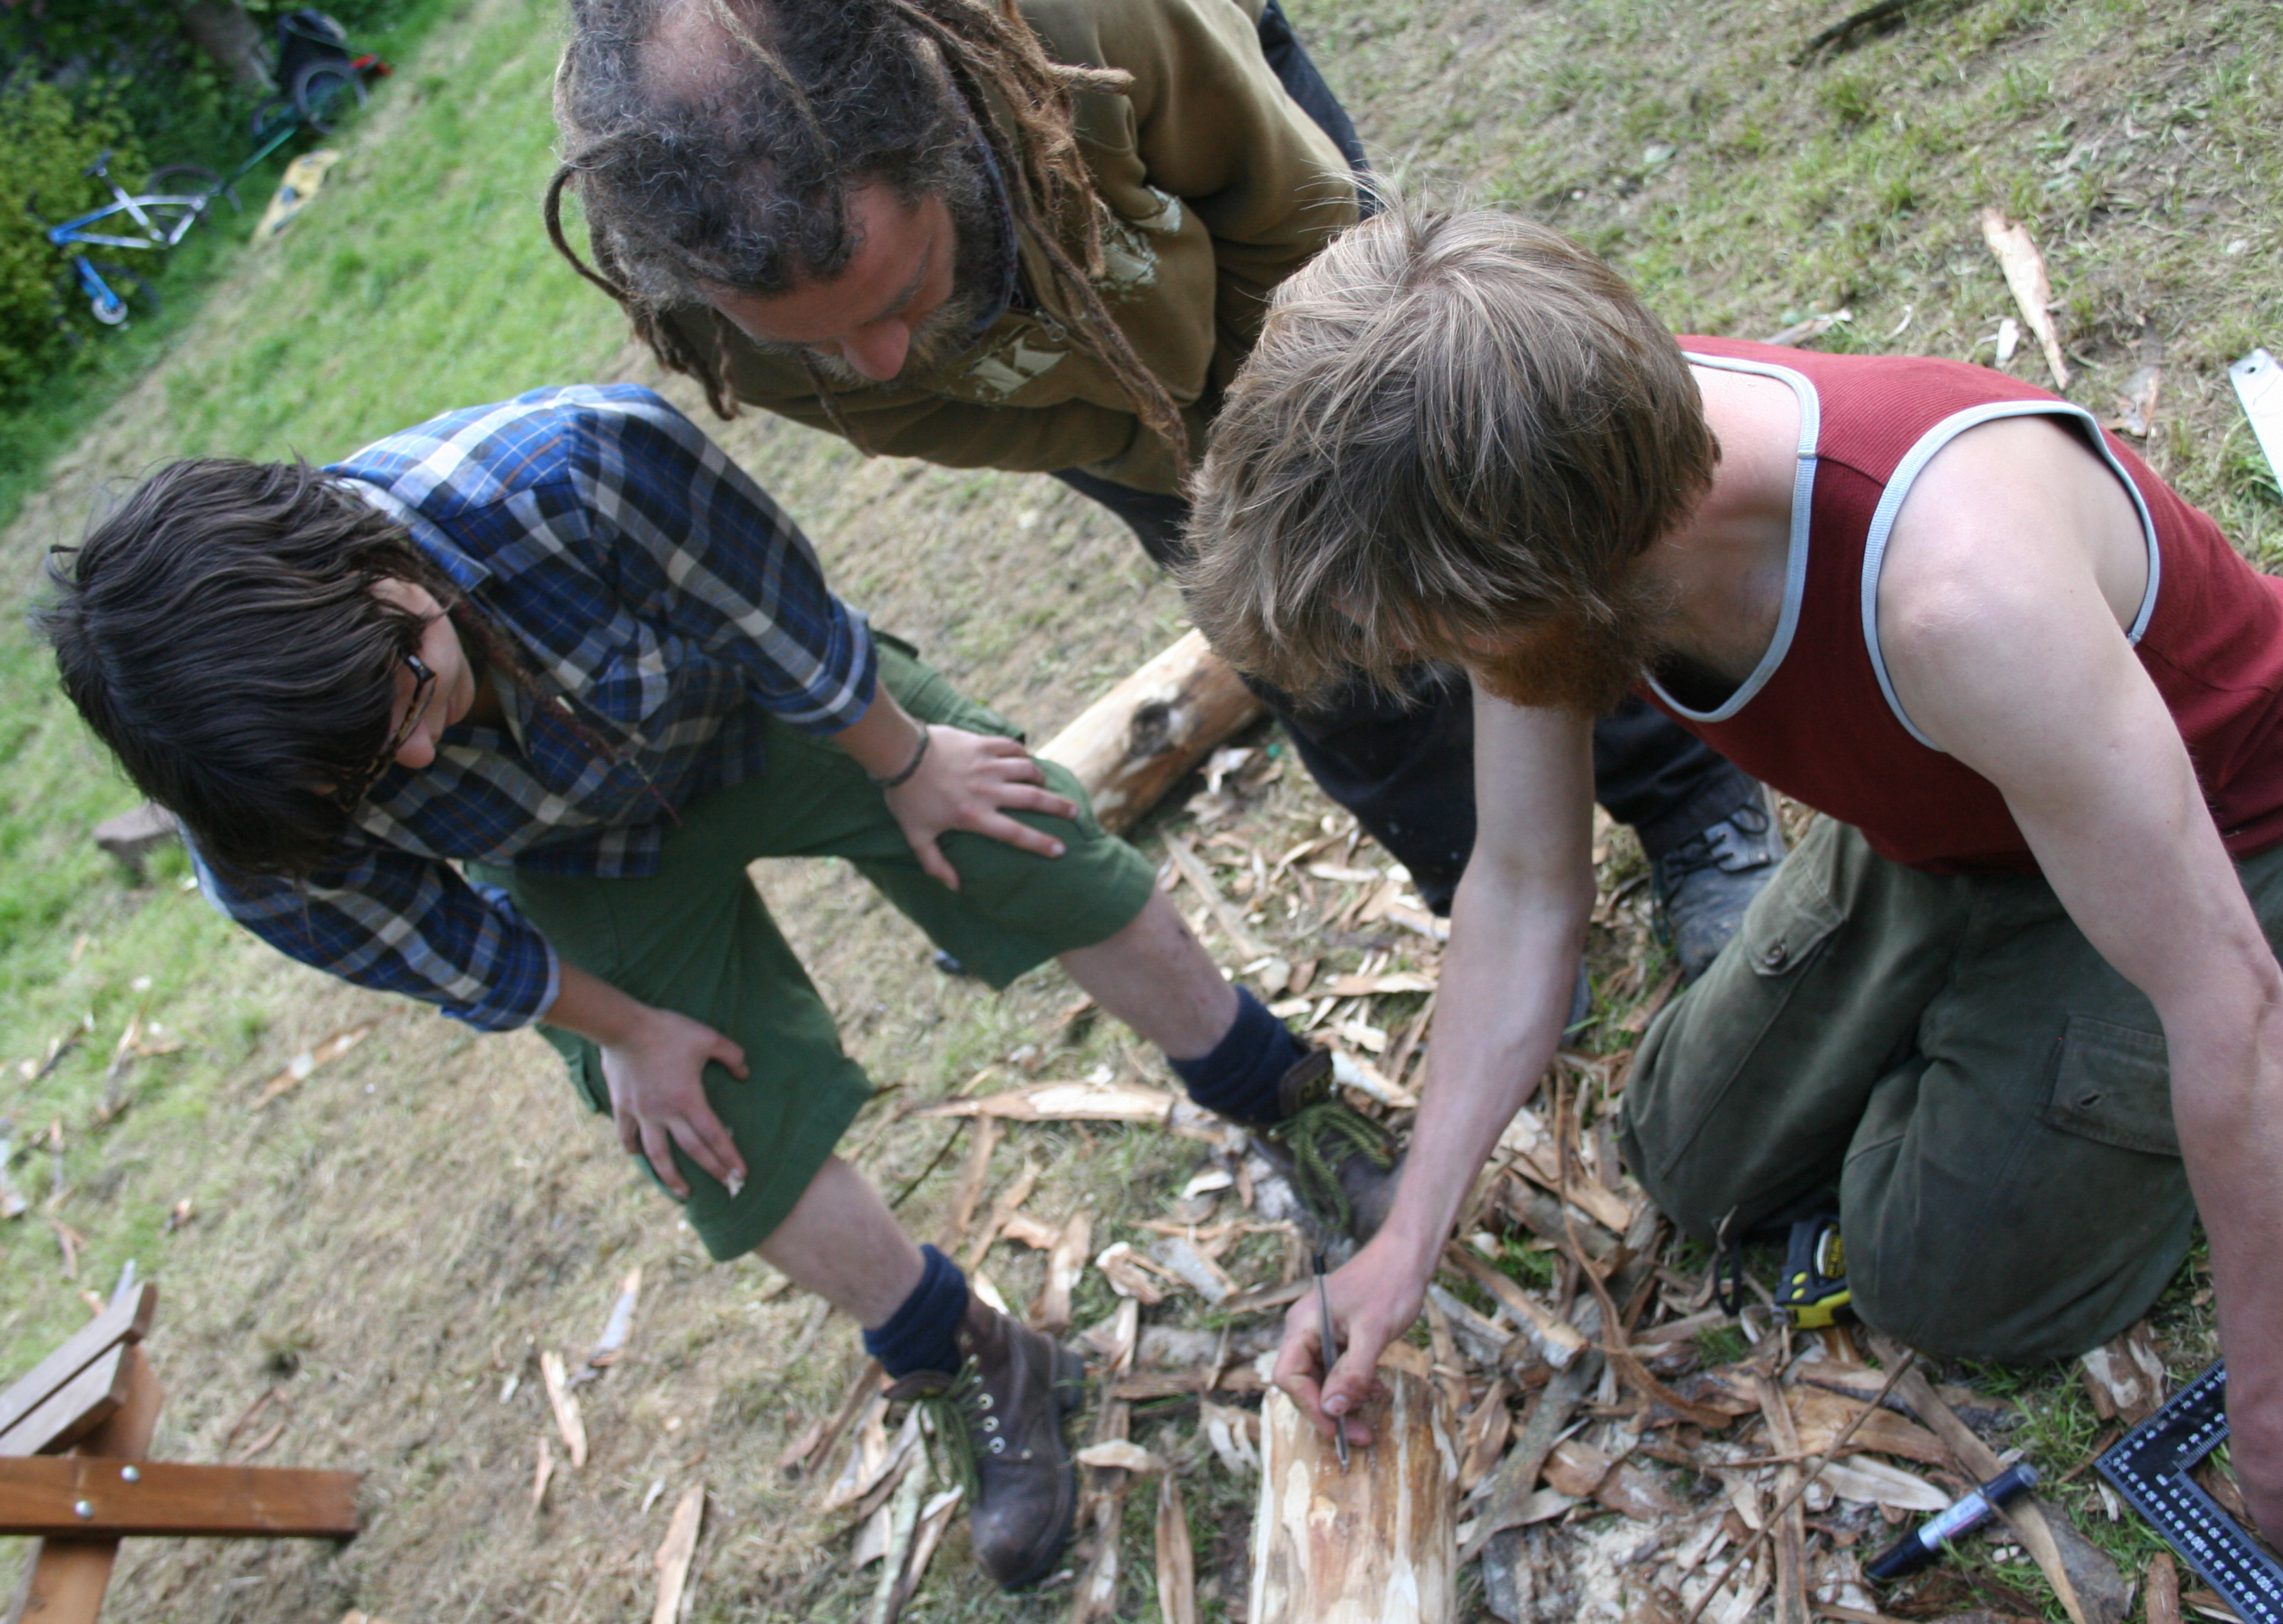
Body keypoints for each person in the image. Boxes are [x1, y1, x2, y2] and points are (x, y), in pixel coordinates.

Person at [1183, 203, 2283, 1620]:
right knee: (1681, 1144)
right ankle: (1989, 1034)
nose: (1440, 667)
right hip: (1950, 823)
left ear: (1571, 576)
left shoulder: (1957, 598)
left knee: (1946, 1283)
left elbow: (2232, 1011)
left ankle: (2029, 1055)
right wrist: (1406, 1239)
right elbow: (1527, 885)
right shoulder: (1535, 459)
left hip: (2238, 822)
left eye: (1442, 640)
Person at [38, 383, 1393, 1591]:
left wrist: (906, 757)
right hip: (569, 859)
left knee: (1016, 834)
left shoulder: (573, 471)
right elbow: (445, 944)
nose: (410, 759)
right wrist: (625, 1034)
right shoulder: (261, 824)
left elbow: (780, 620)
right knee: (701, 1131)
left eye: (405, 698)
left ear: (378, 565)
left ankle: (1286, 1099)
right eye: (365, 768)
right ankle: (969, 1349)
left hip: (757, 706)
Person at [543, 0, 1783, 973]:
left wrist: (1283, 444)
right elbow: (910, 412)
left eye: (898, 294)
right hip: (1093, 417)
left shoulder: (1085, 24)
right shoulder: (688, 273)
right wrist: (1183, 469)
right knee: (1298, 629)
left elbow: (1292, 217)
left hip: (1275, 259)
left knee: (1458, 507)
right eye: (814, 340)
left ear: (931, 140)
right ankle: (1479, 885)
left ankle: (1689, 803)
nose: (869, 357)